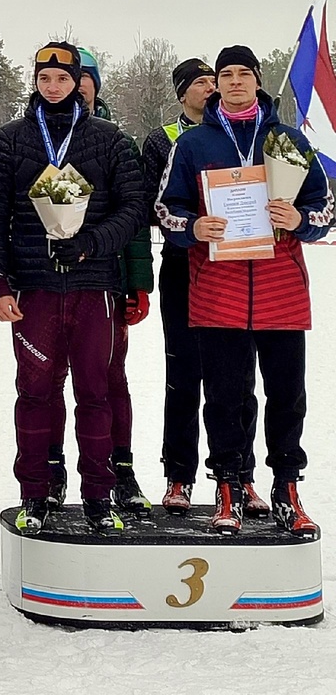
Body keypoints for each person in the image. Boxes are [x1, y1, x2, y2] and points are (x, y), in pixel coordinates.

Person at [155, 45, 333, 534]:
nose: (234, 81)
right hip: (218, 290)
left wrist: (300, 220)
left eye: (243, 74)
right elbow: (167, 210)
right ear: (218, 84)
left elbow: (325, 208)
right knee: (224, 396)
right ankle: (228, 486)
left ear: (257, 81)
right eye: (225, 74)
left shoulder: (288, 139)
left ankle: (287, 488)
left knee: (286, 395)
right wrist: (195, 227)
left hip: (280, 291)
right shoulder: (192, 145)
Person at [0, 41, 146, 533]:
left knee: (95, 393)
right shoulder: (10, 140)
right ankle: (36, 489)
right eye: (44, 78)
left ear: (78, 82)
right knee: (34, 392)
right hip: (35, 289)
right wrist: (0, 280)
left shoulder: (108, 140)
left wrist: (92, 243)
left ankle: (99, 491)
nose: (52, 87)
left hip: (95, 287)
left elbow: (133, 209)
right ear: (35, 81)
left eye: (62, 79)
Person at [142, 58, 266, 514]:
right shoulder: (165, 140)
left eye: (217, 80)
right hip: (183, 265)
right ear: (182, 94)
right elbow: (156, 204)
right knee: (183, 377)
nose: (213, 87)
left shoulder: (249, 136)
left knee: (236, 380)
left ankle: (241, 475)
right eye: (201, 82)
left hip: (234, 270)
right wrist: (194, 223)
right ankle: (179, 475)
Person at [42, 46, 155, 513]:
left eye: (86, 77)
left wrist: (137, 282)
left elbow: (134, 219)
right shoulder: (36, 134)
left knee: (108, 380)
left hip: (104, 280)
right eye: (72, 76)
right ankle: (51, 469)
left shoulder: (117, 140)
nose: (78, 84)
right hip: (47, 285)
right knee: (46, 380)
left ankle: (119, 469)